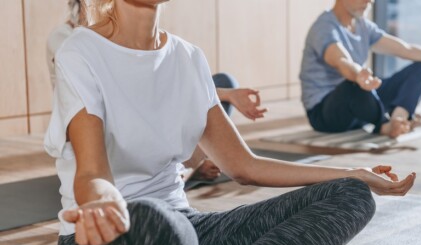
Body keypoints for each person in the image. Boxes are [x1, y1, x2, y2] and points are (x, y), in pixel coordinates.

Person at [45, 0, 416, 245]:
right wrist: (104, 204)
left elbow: (244, 166)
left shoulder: (188, 58)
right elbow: (91, 172)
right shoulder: (82, 51)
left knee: (351, 196)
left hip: (188, 232)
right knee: (149, 219)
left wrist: (354, 172)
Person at [46, 0, 267, 183]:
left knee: (222, 81)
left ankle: (194, 162)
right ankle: (193, 165)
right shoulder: (73, 45)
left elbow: (245, 166)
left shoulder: (184, 52)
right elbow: (128, 90)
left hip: (146, 120)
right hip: (94, 118)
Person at [300, 0, 421, 138]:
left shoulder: (363, 26)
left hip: (361, 106)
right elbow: (341, 60)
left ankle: (398, 119)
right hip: (326, 114)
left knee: (420, 69)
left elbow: (406, 49)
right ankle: (384, 125)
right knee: (354, 85)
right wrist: (358, 75)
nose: (370, 1)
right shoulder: (324, 27)